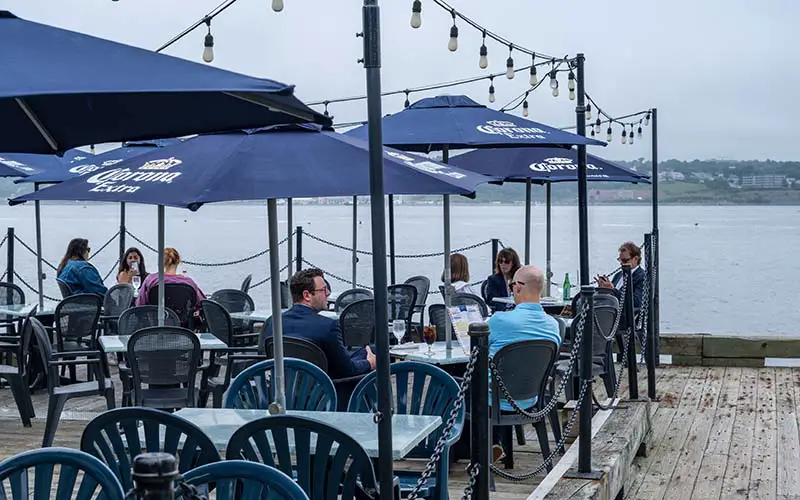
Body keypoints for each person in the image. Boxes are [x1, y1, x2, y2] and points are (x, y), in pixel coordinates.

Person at [486, 265, 561, 462]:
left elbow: (476, 351)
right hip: (530, 398)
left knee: (456, 386)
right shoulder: (554, 326)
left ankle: (468, 451)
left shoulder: (499, 320)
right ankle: (494, 445)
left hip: (494, 399)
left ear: (517, 287)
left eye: (512, 286)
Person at [262, 268, 376, 380]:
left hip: (286, 388)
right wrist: (369, 363)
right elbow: (347, 370)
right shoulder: (328, 326)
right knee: (375, 352)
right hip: (326, 391)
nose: (328, 293)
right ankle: (383, 398)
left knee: (366, 351)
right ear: (307, 295)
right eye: (323, 290)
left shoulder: (273, 322)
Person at [136, 247, 205, 308]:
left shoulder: (151, 280)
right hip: (183, 321)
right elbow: (202, 302)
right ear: (178, 261)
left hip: (156, 321)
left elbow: (140, 304)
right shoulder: (188, 282)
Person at [596, 241, 645, 309]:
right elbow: (612, 295)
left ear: (636, 259)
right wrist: (603, 288)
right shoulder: (618, 275)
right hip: (612, 311)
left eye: (625, 260)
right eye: (620, 260)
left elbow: (637, 302)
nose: (621, 263)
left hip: (626, 316)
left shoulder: (642, 277)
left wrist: (613, 289)